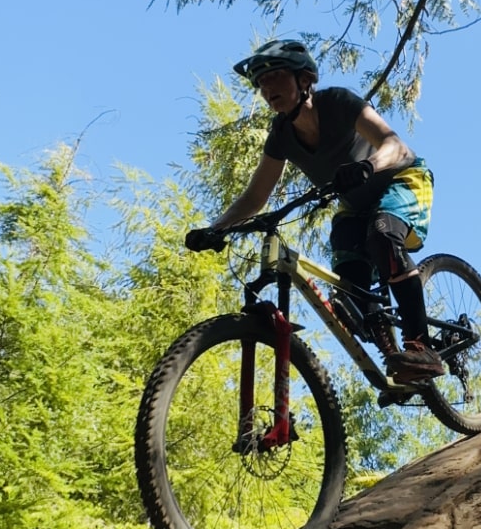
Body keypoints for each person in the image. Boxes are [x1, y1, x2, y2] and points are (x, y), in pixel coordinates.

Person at [184, 38, 443, 383]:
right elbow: (255, 196)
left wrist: (368, 165)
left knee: (382, 235)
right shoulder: (281, 133)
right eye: (261, 82)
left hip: (404, 178)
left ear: (304, 79)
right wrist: (216, 228)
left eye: (275, 76)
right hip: (355, 206)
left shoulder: (338, 102)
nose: (266, 88)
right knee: (349, 300)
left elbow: (393, 145)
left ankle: (422, 347)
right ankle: (398, 365)